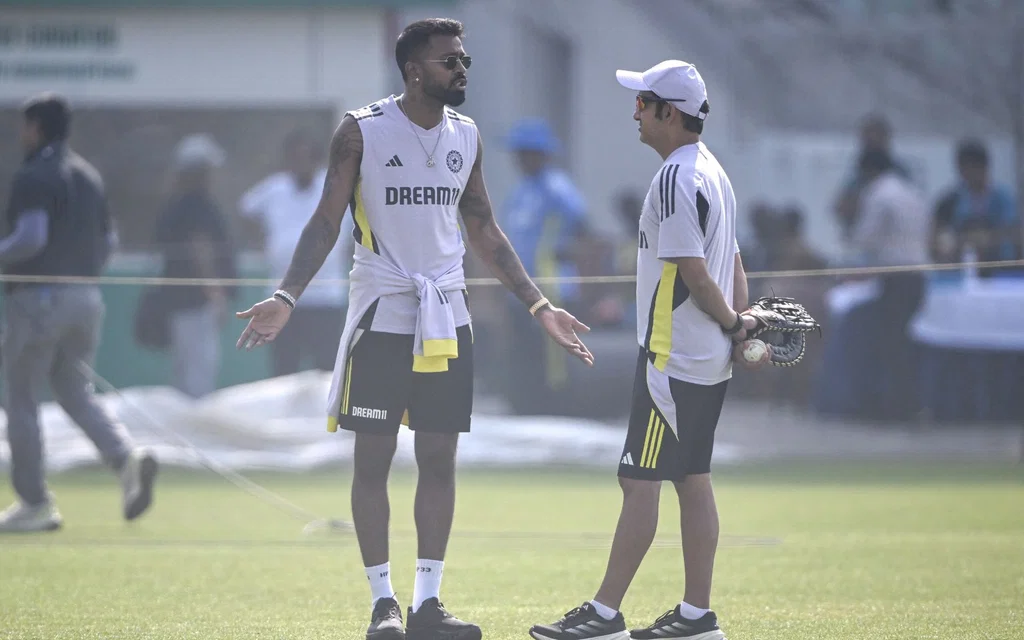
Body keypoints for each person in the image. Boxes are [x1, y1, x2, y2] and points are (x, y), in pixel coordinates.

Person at [234, 18, 593, 640]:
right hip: (381, 314)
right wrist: (287, 295)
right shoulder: (362, 130)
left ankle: (428, 603)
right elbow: (325, 222)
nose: (462, 69)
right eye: (450, 60)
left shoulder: (467, 135)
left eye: (464, 59)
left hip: (446, 318)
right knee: (372, 460)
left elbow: (483, 228)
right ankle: (384, 605)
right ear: (414, 70)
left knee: (439, 459)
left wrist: (540, 307)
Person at [529, 60, 765, 640]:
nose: (635, 111)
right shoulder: (712, 171)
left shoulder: (675, 178)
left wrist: (736, 320)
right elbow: (731, 261)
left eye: (644, 102)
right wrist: (738, 331)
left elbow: (694, 274)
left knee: (639, 480)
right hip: (701, 357)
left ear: (670, 112)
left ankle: (605, 614)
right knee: (693, 479)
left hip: (671, 356)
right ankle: (696, 616)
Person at [0, 93, 157, 533]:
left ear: (35, 128)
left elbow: (30, 238)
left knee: (20, 397)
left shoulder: (34, 175)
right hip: (86, 298)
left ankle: (34, 503)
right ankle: (126, 460)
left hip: (38, 300)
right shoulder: (88, 175)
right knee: (73, 390)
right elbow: (108, 244)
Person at [240, 129, 354, 376]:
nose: (301, 164)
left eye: (306, 157)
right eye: (295, 158)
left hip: (325, 297)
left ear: (316, 160)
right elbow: (245, 211)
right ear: (288, 160)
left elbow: (359, 222)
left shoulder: (334, 187)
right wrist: (263, 243)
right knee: (284, 368)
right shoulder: (274, 188)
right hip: (281, 296)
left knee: (326, 368)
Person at [501, 118, 589, 413]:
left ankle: (557, 406)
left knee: (554, 354)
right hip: (521, 286)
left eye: (526, 152)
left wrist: (565, 254)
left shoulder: (557, 187)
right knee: (525, 349)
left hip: (553, 285)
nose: (520, 159)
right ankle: (527, 404)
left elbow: (582, 227)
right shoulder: (521, 192)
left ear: (542, 154)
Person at [151, 134, 238, 398]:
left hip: (180, 300)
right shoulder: (198, 206)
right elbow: (200, 248)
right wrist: (215, 293)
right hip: (196, 301)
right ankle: (194, 432)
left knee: (184, 368)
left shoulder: (175, 205)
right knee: (199, 371)